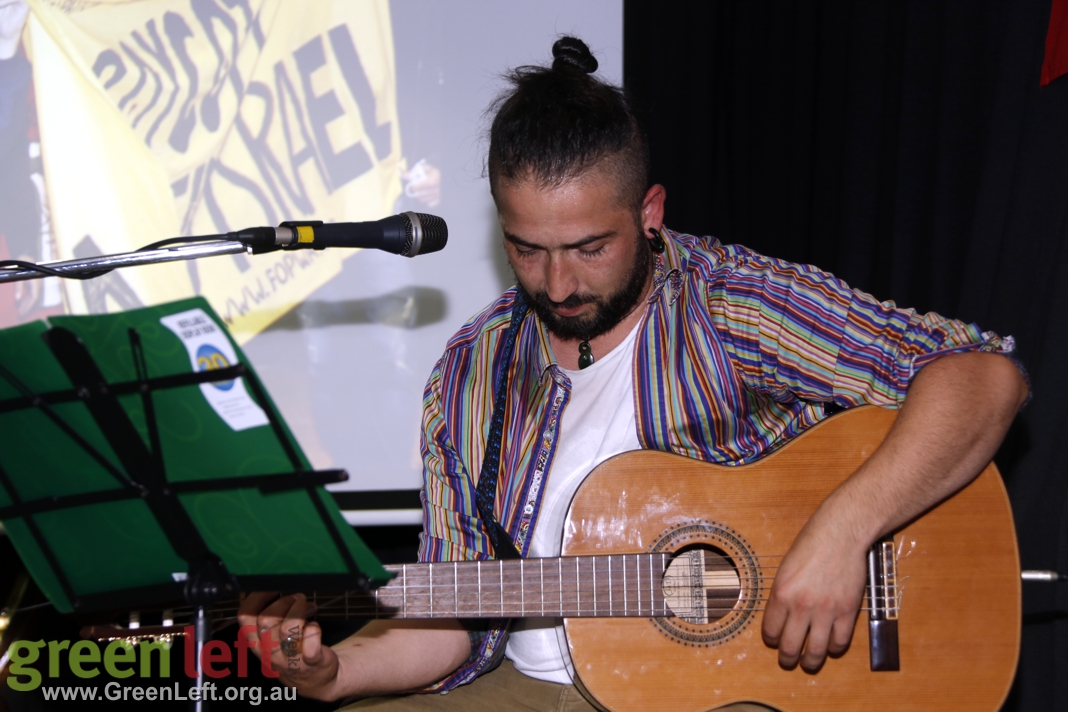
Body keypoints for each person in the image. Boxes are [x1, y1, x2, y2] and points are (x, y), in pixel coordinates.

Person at [238, 37, 1028, 710]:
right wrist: (336, 672)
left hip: (727, 687)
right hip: (533, 689)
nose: (556, 285)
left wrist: (844, 530)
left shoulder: (730, 307)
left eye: (589, 248)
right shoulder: (470, 372)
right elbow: (451, 612)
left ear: (649, 212)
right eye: (527, 249)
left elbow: (984, 377)